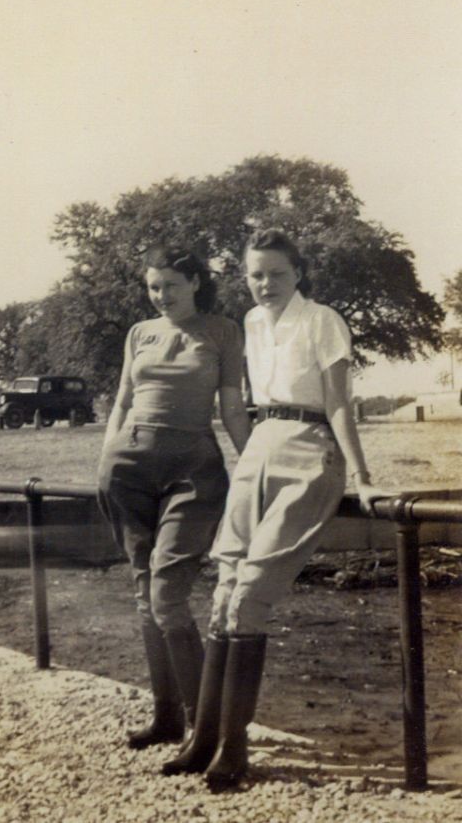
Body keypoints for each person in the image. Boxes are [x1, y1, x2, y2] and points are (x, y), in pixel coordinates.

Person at [163, 228, 384, 789]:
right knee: (222, 592)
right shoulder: (251, 325)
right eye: (256, 274)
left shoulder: (323, 320)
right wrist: (247, 461)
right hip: (260, 446)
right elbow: (245, 403)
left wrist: (361, 476)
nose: (265, 284)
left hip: (310, 452)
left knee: (251, 595)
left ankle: (234, 751)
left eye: (277, 274)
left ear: (299, 274)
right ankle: (204, 739)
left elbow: (338, 403)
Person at [97, 245, 250, 751]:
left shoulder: (224, 330)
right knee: (145, 596)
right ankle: (166, 718)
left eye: (172, 286)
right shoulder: (139, 333)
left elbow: (231, 410)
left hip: (194, 470)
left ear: (196, 284)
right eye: (154, 288)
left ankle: (205, 726)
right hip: (129, 467)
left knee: (168, 594)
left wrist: (255, 470)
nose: (162, 296)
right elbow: (122, 400)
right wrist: (106, 461)